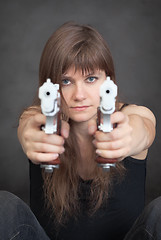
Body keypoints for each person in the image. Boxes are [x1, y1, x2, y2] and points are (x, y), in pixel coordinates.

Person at [3, 22, 157, 239]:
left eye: (91, 79)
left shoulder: (134, 116)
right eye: (66, 81)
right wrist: (30, 135)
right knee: (5, 206)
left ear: (109, 82)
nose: (79, 95)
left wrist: (129, 137)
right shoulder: (38, 119)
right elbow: (28, 125)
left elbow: (143, 127)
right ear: (51, 86)